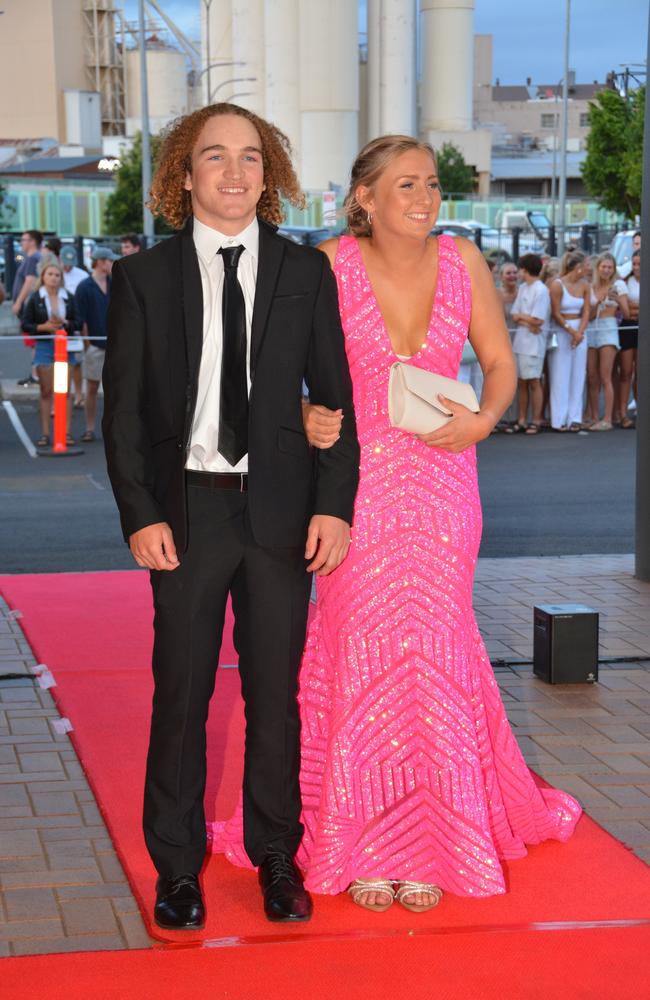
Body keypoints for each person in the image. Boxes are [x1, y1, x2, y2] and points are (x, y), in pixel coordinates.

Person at [214, 135, 581, 914]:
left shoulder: (463, 261)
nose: (425, 198)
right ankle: (363, 839)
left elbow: (502, 360)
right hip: (357, 485)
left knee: (437, 646)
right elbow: (267, 372)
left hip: (446, 482)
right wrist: (306, 412)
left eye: (433, 185)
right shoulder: (326, 264)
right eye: (407, 184)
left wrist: (484, 419)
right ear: (365, 199)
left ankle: (435, 840)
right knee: (360, 649)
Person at [102, 102, 359, 929]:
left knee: (275, 696)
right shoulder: (143, 280)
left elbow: (337, 401)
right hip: (190, 513)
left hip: (283, 520)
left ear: (269, 174)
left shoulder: (303, 273)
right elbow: (125, 418)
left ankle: (277, 857)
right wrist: (139, 513)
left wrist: (334, 506)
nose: (236, 172)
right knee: (179, 694)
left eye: (251, 158)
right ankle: (177, 871)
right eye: (216, 157)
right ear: (184, 176)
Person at [21, 259, 79, 447]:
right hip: (45, 346)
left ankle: (66, 432)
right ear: (43, 277)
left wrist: (66, 324)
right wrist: (43, 326)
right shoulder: (36, 297)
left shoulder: (68, 296)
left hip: (65, 345)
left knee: (65, 392)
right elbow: (25, 324)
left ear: (61, 278)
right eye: (50, 274)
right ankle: (46, 433)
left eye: (57, 275)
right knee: (46, 391)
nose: (54, 278)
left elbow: (78, 321)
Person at [75, 246, 118, 442]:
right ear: (100, 262)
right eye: (109, 261)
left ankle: (114, 430)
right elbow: (81, 319)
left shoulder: (115, 283)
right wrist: (87, 345)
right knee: (91, 389)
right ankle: (90, 428)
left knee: (116, 391)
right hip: (94, 345)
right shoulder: (84, 287)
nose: (112, 264)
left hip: (116, 346)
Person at [547, 250, 591, 432]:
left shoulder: (585, 285)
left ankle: (575, 417)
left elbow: (587, 311)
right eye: (587, 265)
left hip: (580, 332)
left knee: (578, 375)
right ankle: (559, 419)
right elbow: (556, 312)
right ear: (578, 268)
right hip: (563, 330)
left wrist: (579, 333)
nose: (589, 269)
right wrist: (571, 331)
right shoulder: (557, 285)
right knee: (560, 375)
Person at [586, 252, 629, 431]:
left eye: (609, 267)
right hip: (592, 329)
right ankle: (594, 416)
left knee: (606, 376)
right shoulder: (590, 286)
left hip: (609, 328)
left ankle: (608, 418)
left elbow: (626, 314)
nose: (606, 270)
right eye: (603, 266)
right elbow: (587, 315)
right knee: (592, 376)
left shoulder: (618, 285)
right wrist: (599, 300)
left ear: (614, 269)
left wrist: (617, 299)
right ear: (598, 268)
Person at [509, 253, 550, 434]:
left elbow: (538, 320)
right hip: (521, 341)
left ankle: (536, 420)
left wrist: (526, 319)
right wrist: (528, 321)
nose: (518, 272)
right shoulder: (524, 287)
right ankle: (522, 419)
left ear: (525, 269)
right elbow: (515, 315)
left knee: (534, 381)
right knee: (522, 383)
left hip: (534, 344)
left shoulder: (541, 290)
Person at [13, 229, 43, 386]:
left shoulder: (32, 258)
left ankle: (36, 375)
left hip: (28, 307)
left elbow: (29, 281)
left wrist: (18, 302)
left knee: (33, 342)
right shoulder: (33, 258)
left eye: (24, 239)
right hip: (32, 306)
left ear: (32, 241)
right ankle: (36, 374)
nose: (21, 243)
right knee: (33, 342)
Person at [60, 245, 89, 409]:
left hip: (76, 322)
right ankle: (63, 396)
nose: (67, 266)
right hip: (60, 323)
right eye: (65, 262)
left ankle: (78, 394)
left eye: (70, 263)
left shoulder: (82, 275)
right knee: (61, 363)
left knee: (77, 362)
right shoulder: (55, 273)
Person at [617, 249, 640, 428]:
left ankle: (640, 406)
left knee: (641, 373)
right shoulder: (625, 281)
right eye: (634, 264)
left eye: (640, 264)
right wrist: (633, 310)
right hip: (627, 328)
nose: (637, 267)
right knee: (625, 372)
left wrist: (632, 308)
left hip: (642, 329)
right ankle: (622, 412)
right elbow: (624, 310)